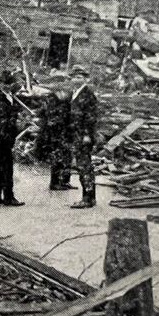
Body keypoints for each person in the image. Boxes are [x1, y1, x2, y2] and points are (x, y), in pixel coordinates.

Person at [0, 68, 25, 207]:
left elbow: (13, 116)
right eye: (4, 83)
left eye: (9, 84)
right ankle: (7, 197)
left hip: (7, 138)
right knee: (5, 169)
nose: (6, 86)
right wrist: (2, 133)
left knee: (0, 168)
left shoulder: (11, 97)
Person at [69, 65, 98, 209]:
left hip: (83, 136)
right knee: (83, 166)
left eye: (79, 77)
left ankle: (87, 198)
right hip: (76, 134)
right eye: (74, 77)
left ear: (85, 79)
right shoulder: (75, 93)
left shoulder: (88, 95)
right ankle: (90, 197)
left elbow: (91, 117)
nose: (76, 79)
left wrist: (87, 134)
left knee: (84, 166)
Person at [40, 85, 76, 191]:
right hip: (55, 133)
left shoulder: (68, 96)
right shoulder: (50, 98)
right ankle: (55, 183)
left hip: (66, 132)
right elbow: (46, 115)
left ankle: (65, 181)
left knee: (67, 157)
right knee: (57, 158)